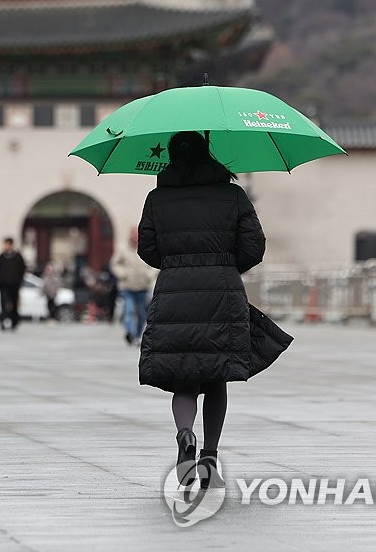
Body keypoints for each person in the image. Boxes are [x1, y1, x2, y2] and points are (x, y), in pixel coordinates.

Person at [138, 131, 277, 491]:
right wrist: (225, 267)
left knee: (184, 377)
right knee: (216, 375)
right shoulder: (233, 195)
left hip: (173, 291)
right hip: (222, 290)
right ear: (208, 152)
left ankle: (185, 434)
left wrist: (175, 263)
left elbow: (147, 249)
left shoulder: (157, 198)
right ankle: (210, 457)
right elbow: (254, 246)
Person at [112, 226, 157, 346]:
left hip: (143, 286)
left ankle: (137, 335)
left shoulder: (147, 247)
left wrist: (149, 275)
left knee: (142, 313)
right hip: (127, 286)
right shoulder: (122, 248)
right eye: (134, 234)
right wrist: (123, 274)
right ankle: (130, 332)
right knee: (128, 310)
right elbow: (115, 264)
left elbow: (155, 263)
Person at [0, 236, 27, 331]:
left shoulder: (17, 257)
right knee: (3, 303)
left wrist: (19, 280)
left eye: (8, 244)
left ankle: (14, 322)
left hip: (14, 284)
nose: (6, 246)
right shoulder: (1, 256)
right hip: (3, 284)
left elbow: (22, 269)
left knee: (13, 303)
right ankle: (3, 322)